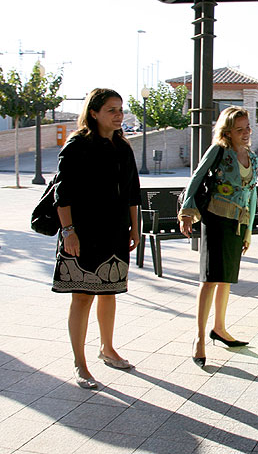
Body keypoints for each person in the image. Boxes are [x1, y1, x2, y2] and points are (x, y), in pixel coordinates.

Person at [53, 88, 140, 389]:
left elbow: (132, 192)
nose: (119, 115)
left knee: (109, 291)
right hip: (82, 232)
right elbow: (62, 194)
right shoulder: (77, 145)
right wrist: (68, 232)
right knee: (82, 295)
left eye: (120, 109)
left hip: (114, 232)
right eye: (112, 110)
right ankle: (80, 363)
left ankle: (107, 348)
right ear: (94, 112)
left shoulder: (123, 146)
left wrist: (135, 227)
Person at [179, 106, 258, 368]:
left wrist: (248, 230)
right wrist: (186, 212)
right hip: (215, 219)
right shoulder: (218, 151)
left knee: (226, 279)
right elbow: (196, 177)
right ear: (228, 131)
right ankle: (200, 339)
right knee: (210, 278)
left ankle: (220, 329)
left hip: (237, 223)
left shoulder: (252, 157)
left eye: (247, 127)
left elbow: (252, 195)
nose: (246, 133)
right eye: (240, 129)